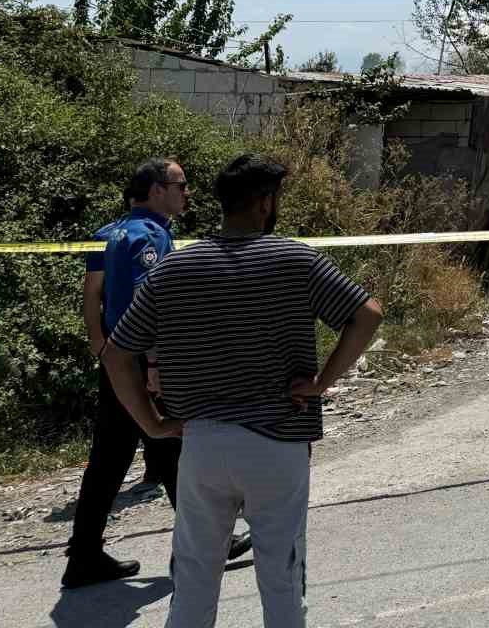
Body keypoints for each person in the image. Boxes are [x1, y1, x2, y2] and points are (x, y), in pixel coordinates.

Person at [103, 155, 383, 628]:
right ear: (265, 202)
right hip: (278, 442)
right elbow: (367, 314)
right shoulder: (296, 259)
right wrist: (320, 384)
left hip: (202, 443)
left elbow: (116, 354)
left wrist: (152, 423)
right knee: (282, 580)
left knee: (193, 580)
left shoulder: (174, 268)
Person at [63, 158, 251, 589]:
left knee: (114, 460)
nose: (187, 193)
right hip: (143, 365)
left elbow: (93, 296)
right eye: (180, 185)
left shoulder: (109, 233)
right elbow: (150, 306)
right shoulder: (148, 237)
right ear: (154, 190)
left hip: (117, 360)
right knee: (174, 448)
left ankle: (85, 555)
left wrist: (100, 345)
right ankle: (208, 546)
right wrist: (154, 365)